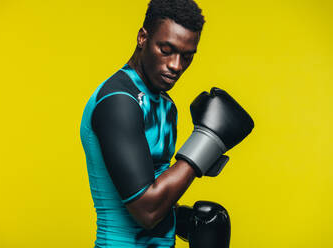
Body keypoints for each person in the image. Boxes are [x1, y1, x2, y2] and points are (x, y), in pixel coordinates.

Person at [80, 0, 254, 247]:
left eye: (187, 56)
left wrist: (186, 221)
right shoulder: (118, 101)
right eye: (166, 49)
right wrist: (206, 141)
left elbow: (160, 193)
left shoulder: (166, 104)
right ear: (143, 38)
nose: (176, 65)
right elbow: (147, 211)